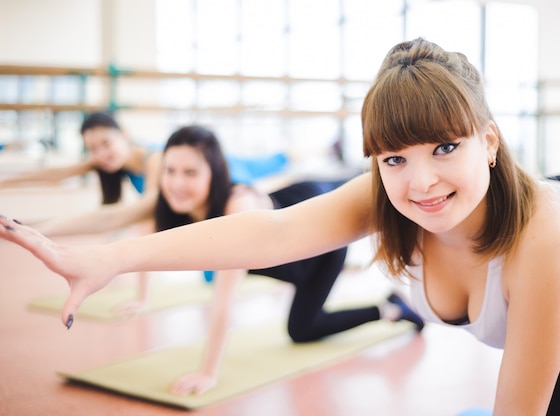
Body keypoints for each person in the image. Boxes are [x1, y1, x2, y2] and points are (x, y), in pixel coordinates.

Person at [2, 37, 560, 414]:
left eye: (444, 148)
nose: (421, 182)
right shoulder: (389, 193)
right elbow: (269, 234)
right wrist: (108, 260)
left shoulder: (538, 240)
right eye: (395, 157)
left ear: (488, 140)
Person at [21, 124, 424, 395]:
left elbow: (224, 301)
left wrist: (209, 372)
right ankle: (388, 305)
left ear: (214, 172)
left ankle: (390, 308)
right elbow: (109, 217)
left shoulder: (237, 205)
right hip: (285, 250)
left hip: (318, 245)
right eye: (171, 171)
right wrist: (32, 230)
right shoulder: (176, 201)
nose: (177, 183)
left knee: (302, 330)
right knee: (302, 328)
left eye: (190, 173)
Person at [0, 111, 163, 204]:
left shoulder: (154, 158)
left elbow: (147, 210)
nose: (101, 155)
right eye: (92, 149)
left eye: (106, 143)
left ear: (124, 135)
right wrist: (6, 183)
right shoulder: (109, 160)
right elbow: (56, 174)